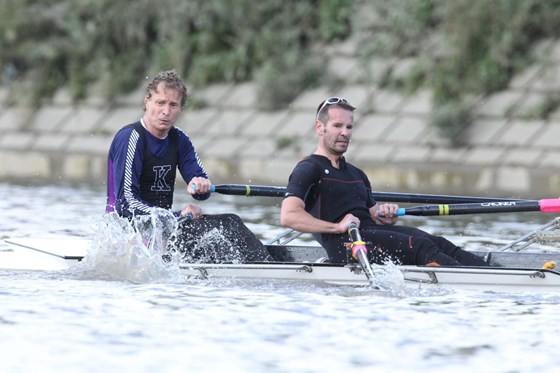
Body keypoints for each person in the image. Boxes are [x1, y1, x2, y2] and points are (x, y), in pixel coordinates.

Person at [280, 97, 490, 267]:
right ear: (320, 127)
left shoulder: (356, 173)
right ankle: (471, 283)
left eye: (349, 126)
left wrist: (386, 216)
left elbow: (372, 216)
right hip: (345, 245)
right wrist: (337, 226)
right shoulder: (308, 168)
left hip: (369, 235)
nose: (345, 132)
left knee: (440, 243)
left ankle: (492, 275)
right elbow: (288, 216)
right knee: (419, 246)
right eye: (337, 126)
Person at [105, 69, 271, 263]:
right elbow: (126, 204)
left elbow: (201, 189)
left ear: (180, 109)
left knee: (230, 223)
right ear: (147, 101)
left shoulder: (180, 139)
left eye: (173, 105)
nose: (166, 111)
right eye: (160, 103)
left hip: (163, 228)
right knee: (227, 227)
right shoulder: (130, 137)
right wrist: (174, 215)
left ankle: (266, 267)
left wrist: (200, 186)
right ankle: (269, 269)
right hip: (128, 231)